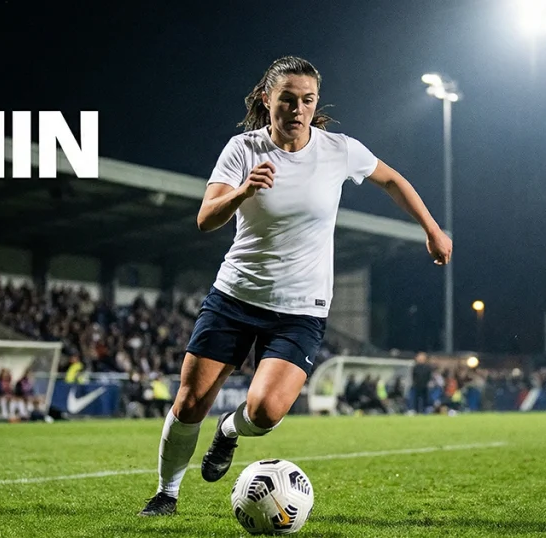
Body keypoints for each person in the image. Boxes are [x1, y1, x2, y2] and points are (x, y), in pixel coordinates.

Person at [138, 55, 452, 516]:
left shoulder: (338, 149)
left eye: (307, 100)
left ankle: (228, 432)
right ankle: (167, 494)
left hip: (301, 308)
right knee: (188, 403)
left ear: (315, 102)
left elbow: (392, 180)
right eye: (287, 99)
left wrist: (432, 228)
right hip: (235, 297)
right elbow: (205, 219)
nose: (297, 109)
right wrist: (242, 192)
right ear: (267, 100)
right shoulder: (242, 149)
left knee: (265, 412)